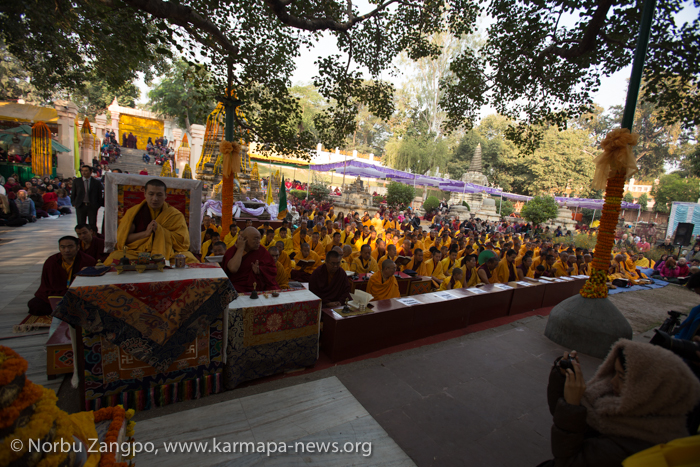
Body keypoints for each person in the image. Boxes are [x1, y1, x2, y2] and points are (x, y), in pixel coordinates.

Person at [541, 341, 700, 467]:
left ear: (650, 389)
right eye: (614, 372)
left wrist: (573, 406)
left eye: (622, 377)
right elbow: (561, 415)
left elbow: (567, 462)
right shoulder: (616, 404)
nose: (613, 382)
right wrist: (563, 378)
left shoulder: (637, 442)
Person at [104, 179, 198, 265]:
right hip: (137, 252)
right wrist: (145, 233)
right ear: (145, 194)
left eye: (159, 195)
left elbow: (183, 243)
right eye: (151, 194)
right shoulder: (134, 213)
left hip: (169, 252)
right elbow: (124, 239)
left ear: (165, 195)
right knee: (113, 258)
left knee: (190, 259)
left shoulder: (175, 215)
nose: (155, 198)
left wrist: (161, 231)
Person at [28, 236, 96, 316]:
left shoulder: (87, 261)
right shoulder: (51, 261)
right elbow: (46, 285)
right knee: (34, 305)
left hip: (77, 295)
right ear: (59, 248)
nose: (66, 250)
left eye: (70, 247)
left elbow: (92, 286)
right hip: (56, 294)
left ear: (78, 247)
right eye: (62, 247)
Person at [223, 226, 278, 292]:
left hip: (257, 286)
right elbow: (233, 269)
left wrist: (259, 270)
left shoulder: (261, 251)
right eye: (255, 239)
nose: (258, 242)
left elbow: (272, 270)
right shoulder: (233, 250)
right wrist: (240, 248)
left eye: (259, 239)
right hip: (237, 286)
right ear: (245, 239)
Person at [71, 166, 103, 230]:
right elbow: (73, 193)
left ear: (91, 172)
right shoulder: (76, 181)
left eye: (86, 171)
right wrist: (74, 203)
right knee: (81, 224)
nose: (84, 172)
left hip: (92, 206)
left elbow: (99, 195)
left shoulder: (96, 182)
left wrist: (98, 205)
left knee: (92, 224)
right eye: (82, 171)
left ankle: (93, 237)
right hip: (81, 205)